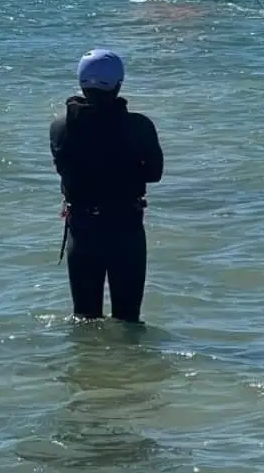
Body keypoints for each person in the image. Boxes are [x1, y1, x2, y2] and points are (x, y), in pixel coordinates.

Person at [49, 48, 163, 322]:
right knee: (128, 320)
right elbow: (155, 174)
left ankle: (90, 363)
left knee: (85, 320)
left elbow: (63, 169)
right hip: (126, 229)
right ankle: (130, 364)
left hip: (82, 229)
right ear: (119, 84)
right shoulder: (139, 126)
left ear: (81, 83)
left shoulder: (61, 127)